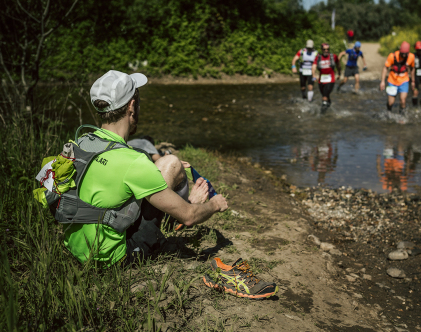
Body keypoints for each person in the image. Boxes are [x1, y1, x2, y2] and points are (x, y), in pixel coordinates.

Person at [49, 70, 277, 299]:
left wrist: (155, 161)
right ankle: (180, 205)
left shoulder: (80, 142)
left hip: (75, 249)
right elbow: (189, 217)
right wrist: (214, 204)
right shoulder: (134, 162)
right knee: (182, 203)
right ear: (131, 106)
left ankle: (174, 204)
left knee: (154, 175)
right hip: (113, 261)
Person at [380, 41, 415, 115]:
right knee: (391, 102)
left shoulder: (411, 57)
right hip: (392, 81)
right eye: (402, 53)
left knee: (403, 100)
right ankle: (388, 112)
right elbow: (385, 68)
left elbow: (412, 68)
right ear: (400, 50)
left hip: (404, 81)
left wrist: (413, 81)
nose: (404, 55)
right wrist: (382, 81)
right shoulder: (392, 56)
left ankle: (402, 116)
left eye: (406, 54)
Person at [312, 43, 341, 113]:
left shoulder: (333, 56)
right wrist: (313, 75)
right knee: (325, 95)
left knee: (325, 96)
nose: (326, 51)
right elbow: (314, 66)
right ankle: (329, 107)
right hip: (321, 80)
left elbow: (338, 64)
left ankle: (322, 114)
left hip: (331, 79)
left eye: (327, 49)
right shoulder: (318, 57)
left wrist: (339, 73)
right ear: (321, 49)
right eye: (324, 49)